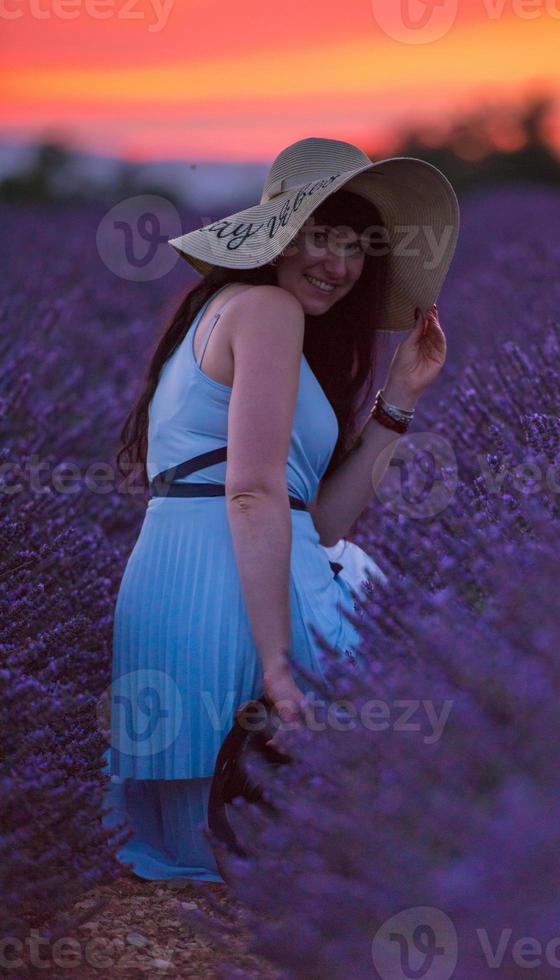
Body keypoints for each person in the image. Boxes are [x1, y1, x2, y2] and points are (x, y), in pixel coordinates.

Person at [101, 136, 459, 882]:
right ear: (276, 237)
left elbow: (315, 523)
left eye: (358, 246)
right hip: (235, 591)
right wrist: (277, 666)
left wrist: (400, 399)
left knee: (231, 844)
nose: (340, 262)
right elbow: (254, 493)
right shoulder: (265, 308)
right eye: (321, 235)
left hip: (191, 581)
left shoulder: (223, 312)